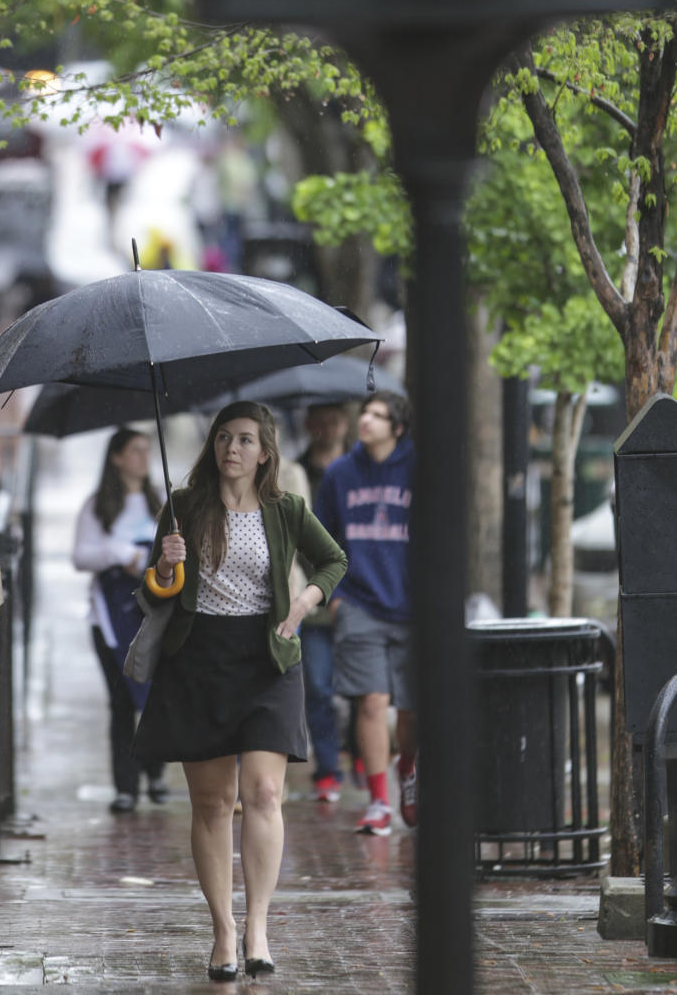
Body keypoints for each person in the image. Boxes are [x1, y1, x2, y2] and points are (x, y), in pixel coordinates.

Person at [132, 401, 347, 982]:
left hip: (267, 658)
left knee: (264, 792)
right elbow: (153, 593)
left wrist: (305, 602)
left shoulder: (286, 509)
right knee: (210, 803)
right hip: (198, 660)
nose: (233, 448)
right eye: (224, 437)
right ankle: (222, 931)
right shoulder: (182, 507)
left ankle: (257, 926)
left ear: (265, 451)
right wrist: (165, 565)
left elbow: (332, 560)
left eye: (246, 440)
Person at [315, 391, 417, 836]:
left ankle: (408, 770)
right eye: (365, 413)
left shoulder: (420, 471)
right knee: (371, 702)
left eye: (379, 416)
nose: (367, 421)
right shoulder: (339, 474)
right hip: (358, 604)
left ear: (397, 428)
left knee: (411, 709)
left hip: (415, 609)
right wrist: (334, 597)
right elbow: (319, 539)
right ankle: (378, 800)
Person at [72, 427, 168, 813]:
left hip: (152, 616)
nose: (143, 457)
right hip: (108, 621)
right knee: (121, 700)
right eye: (135, 450)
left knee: (155, 696)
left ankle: (156, 772)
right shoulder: (97, 506)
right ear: (116, 457)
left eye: (147, 450)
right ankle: (125, 785)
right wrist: (119, 554)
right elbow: (80, 557)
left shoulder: (160, 503)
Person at [295, 403, 353, 803]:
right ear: (309, 424)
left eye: (337, 419)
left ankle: (364, 755)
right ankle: (329, 766)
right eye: (323, 419)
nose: (330, 427)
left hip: (360, 597)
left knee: (363, 686)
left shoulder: (358, 471)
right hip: (312, 598)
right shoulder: (294, 473)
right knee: (317, 684)